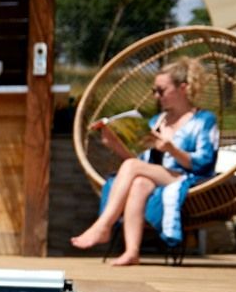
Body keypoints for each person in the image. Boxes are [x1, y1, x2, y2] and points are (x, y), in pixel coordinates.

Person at [70, 59, 219, 266]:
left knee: (135, 171)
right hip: (157, 176)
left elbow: (205, 162)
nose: (156, 96)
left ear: (182, 89)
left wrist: (172, 150)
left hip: (189, 177)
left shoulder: (204, 120)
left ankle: (103, 225)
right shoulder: (156, 122)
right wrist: (114, 144)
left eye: (161, 90)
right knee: (139, 182)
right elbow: (138, 162)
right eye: (154, 91)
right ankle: (132, 251)